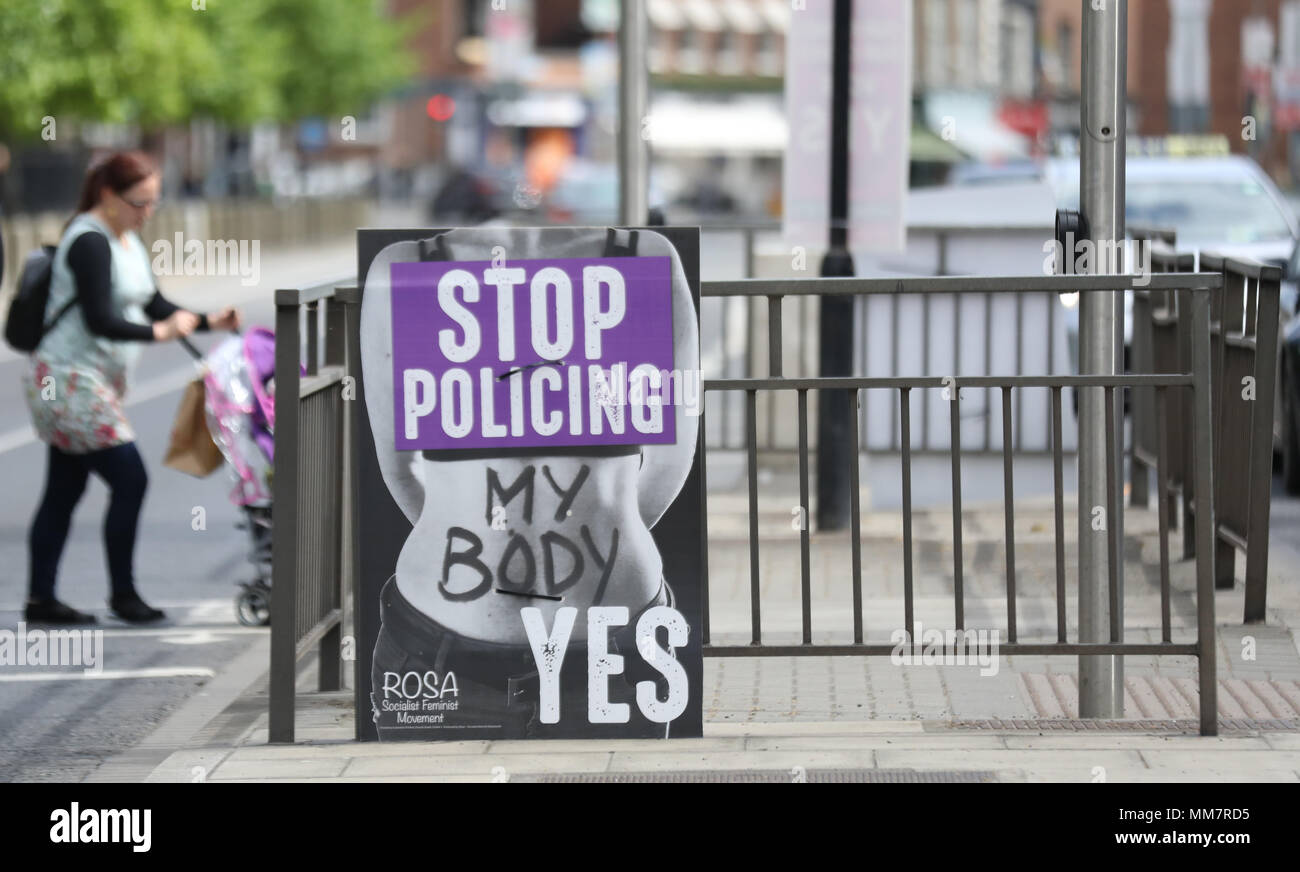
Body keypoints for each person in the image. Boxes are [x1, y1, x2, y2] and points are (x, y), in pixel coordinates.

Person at [23, 151, 241, 625]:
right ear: (107, 194)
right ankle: (123, 594)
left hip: (90, 382)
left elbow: (154, 302)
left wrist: (208, 321)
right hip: (67, 380)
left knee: (64, 488)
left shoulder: (127, 241)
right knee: (130, 478)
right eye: (139, 202)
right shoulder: (89, 242)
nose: (147, 213)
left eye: (153, 204)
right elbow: (103, 318)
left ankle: (41, 599)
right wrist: (155, 334)